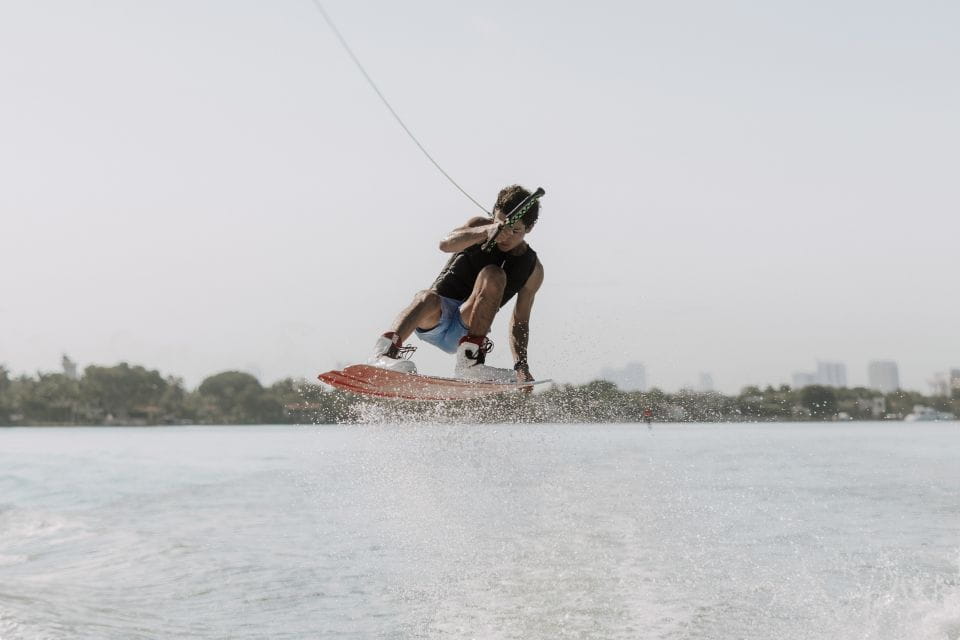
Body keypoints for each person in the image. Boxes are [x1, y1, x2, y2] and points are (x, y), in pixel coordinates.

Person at [368, 185, 544, 384]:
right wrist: (487, 230)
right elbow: (446, 244)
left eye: (515, 230)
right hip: (433, 317)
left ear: (529, 229)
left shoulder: (533, 269)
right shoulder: (479, 225)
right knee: (427, 296)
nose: (506, 236)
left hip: (466, 327)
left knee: (493, 274)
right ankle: (383, 354)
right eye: (501, 224)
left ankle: (471, 365)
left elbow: (520, 322)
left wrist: (522, 366)